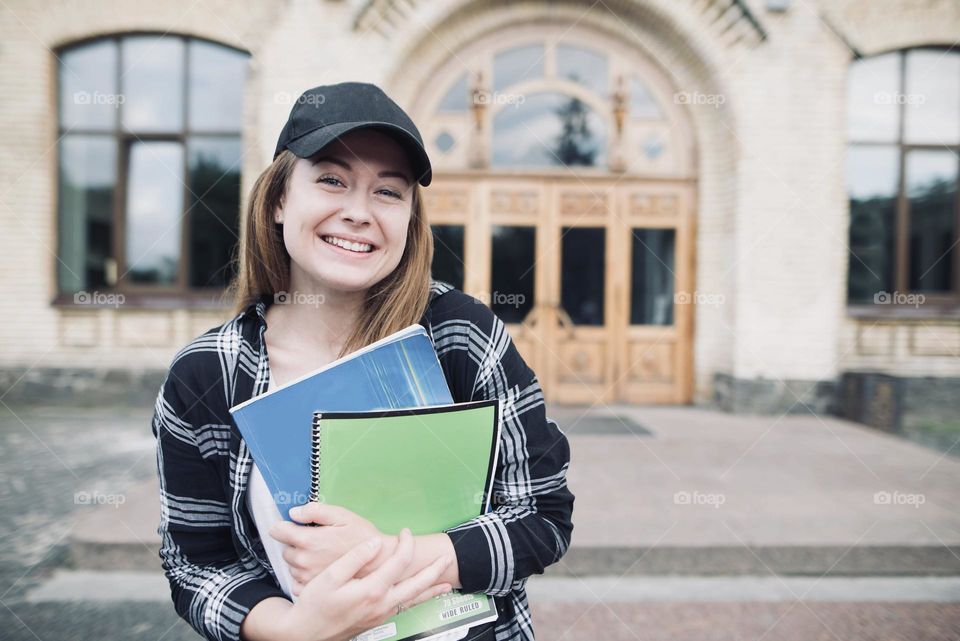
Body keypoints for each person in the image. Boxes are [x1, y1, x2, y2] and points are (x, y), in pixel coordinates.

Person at [152, 81, 574, 641]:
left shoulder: (460, 335)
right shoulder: (207, 374)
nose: (358, 212)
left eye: (388, 192)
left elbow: (543, 515)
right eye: (331, 180)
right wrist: (297, 628)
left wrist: (390, 556)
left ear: (409, 217)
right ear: (279, 199)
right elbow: (196, 564)